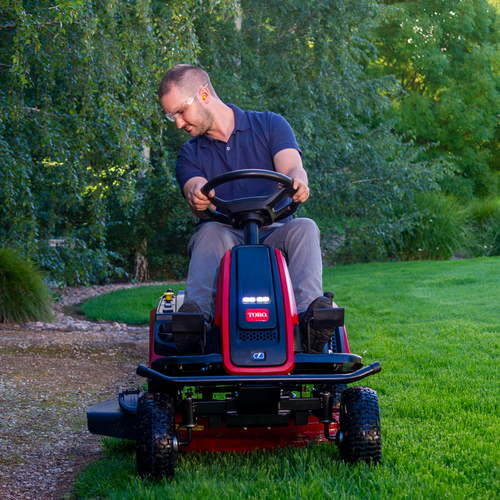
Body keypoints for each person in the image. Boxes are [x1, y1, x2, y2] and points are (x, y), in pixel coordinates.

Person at [158, 64, 335, 354]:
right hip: (225, 236)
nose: (178, 123)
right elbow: (194, 185)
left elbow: (291, 167)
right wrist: (197, 194)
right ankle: (195, 328)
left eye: (180, 112)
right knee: (209, 232)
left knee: (305, 226)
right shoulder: (190, 153)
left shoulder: (270, 125)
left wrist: (299, 180)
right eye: (171, 116)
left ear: (203, 95)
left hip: (276, 231)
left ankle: (310, 325)